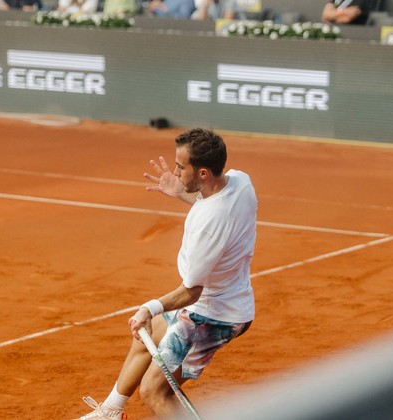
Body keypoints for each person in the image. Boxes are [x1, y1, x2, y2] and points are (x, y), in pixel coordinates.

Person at [75, 128, 257, 419]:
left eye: (181, 167)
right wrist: (180, 192)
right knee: (145, 335)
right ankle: (110, 411)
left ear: (204, 174)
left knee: (154, 392)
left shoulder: (207, 226)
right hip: (223, 300)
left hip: (211, 316)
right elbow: (212, 204)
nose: (175, 171)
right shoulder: (241, 182)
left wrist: (150, 306)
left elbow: (191, 291)